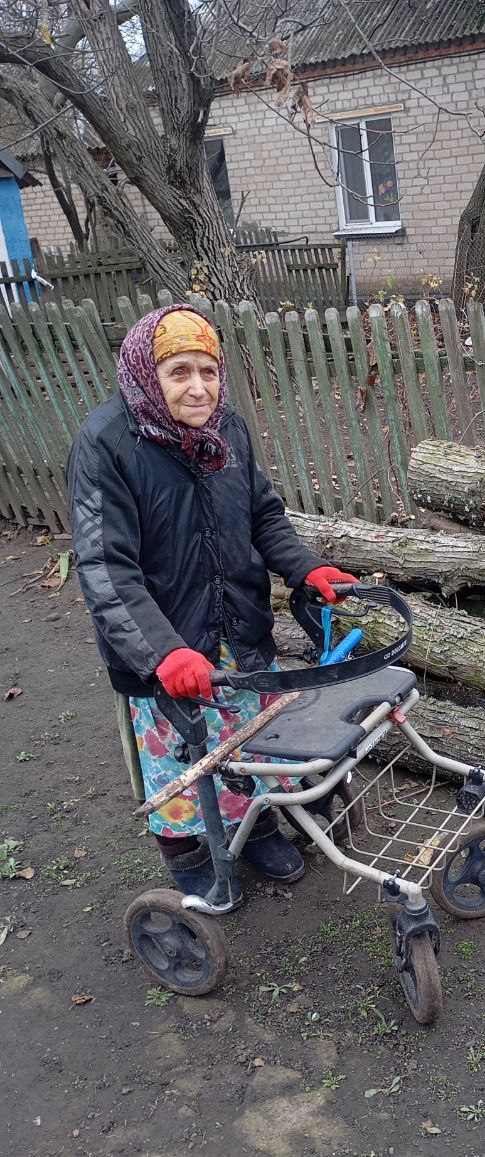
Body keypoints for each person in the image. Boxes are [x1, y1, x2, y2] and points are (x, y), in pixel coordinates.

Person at [68, 304, 357, 909]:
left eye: (208, 370)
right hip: (166, 645)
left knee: (253, 743)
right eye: (179, 372)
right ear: (148, 374)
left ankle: (255, 831)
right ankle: (191, 852)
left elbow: (263, 515)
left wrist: (305, 567)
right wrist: (164, 650)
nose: (198, 387)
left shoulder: (227, 428)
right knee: (183, 757)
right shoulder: (106, 444)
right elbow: (105, 566)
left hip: (239, 629)